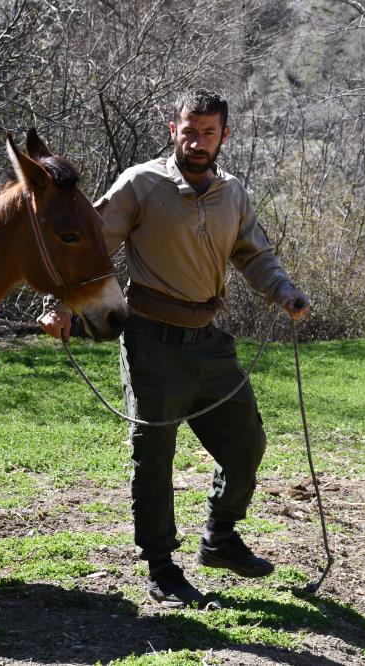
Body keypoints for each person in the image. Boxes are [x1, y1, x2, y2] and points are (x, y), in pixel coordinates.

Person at [39, 90, 310, 607]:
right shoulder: (141, 184)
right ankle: (162, 568)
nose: (197, 140)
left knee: (245, 443)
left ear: (224, 136)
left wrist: (284, 290)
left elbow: (255, 255)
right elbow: (90, 248)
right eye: (189, 130)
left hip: (208, 343)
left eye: (209, 132)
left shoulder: (233, 192)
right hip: (151, 342)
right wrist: (62, 306)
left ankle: (221, 538)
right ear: (173, 130)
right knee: (155, 459)